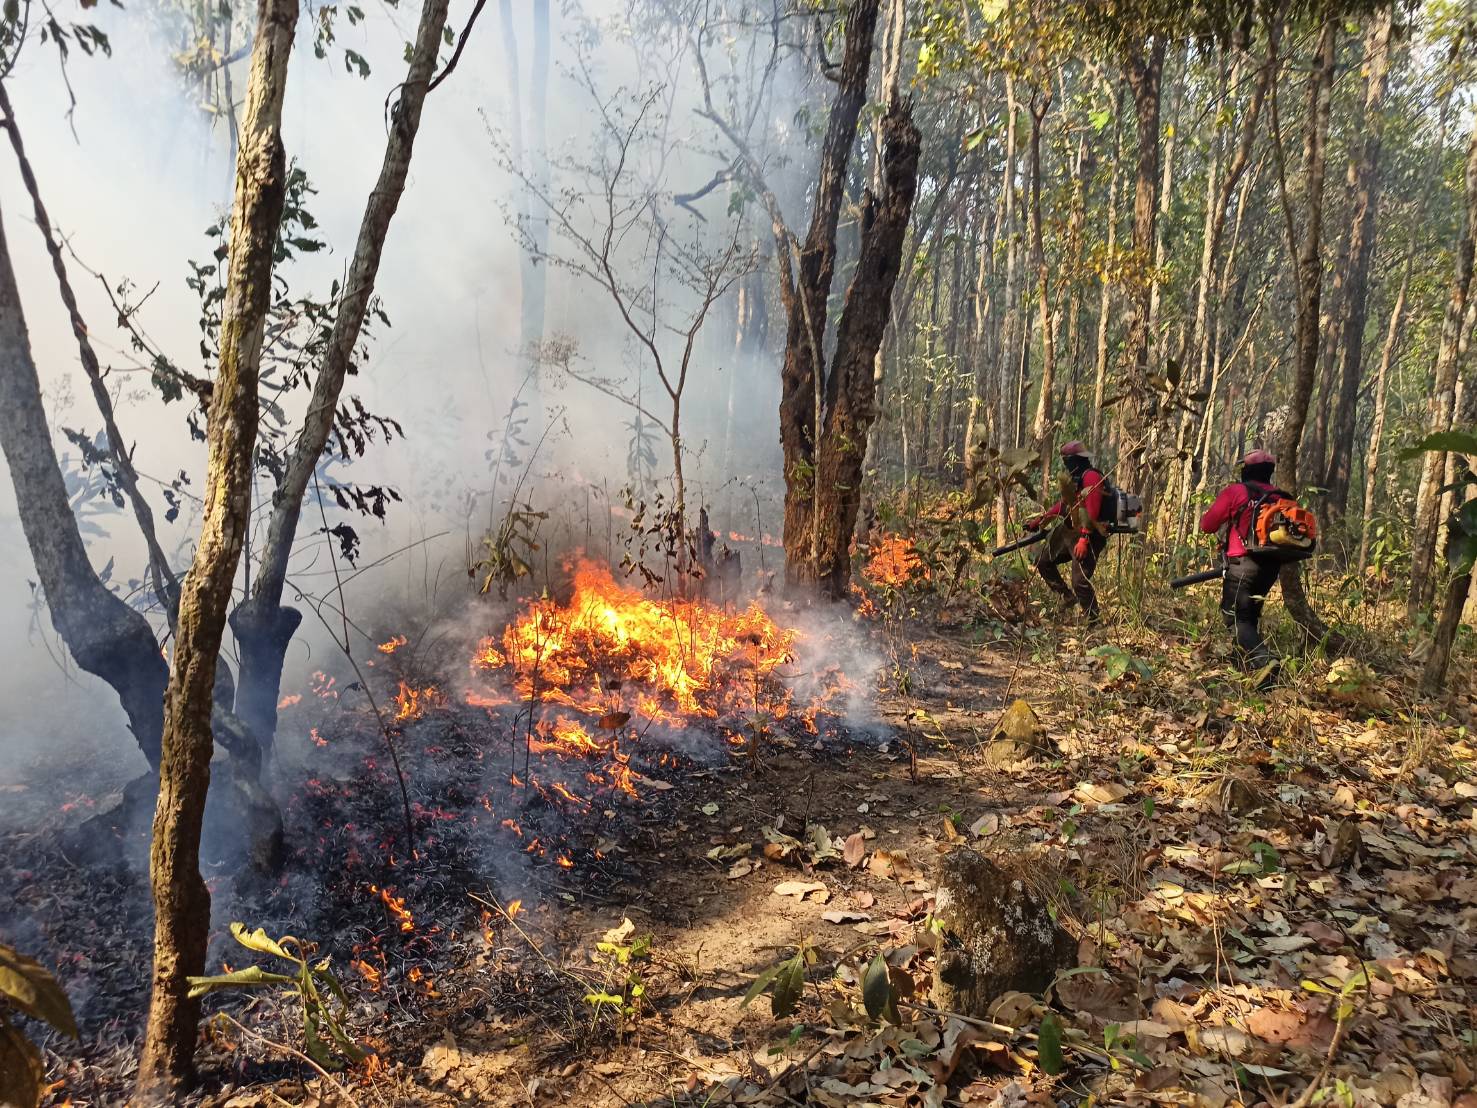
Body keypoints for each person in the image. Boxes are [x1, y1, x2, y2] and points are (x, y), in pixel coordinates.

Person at [1199, 449, 1282, 672]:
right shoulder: (1280, 496)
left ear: (1246, 470)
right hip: (1271, 566)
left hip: (1242, 565)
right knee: (1249, 616)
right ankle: (1244, 667)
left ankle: (1265, 660)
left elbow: (1207, 525)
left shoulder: (1236, 492)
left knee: (1233, 616)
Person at [1023, 442, 1110, 622]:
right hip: (1070, 533)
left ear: (1075, 460)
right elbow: (1065, 505)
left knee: (1079, 581)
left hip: (1090, 535)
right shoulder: (1076, 479)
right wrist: (1040, 520)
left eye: (1067, 461)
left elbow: (1092, 511)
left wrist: (1085, 539)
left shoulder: (1092, 477)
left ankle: (1093, 619)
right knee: (1043, 560)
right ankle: (1066, 596)